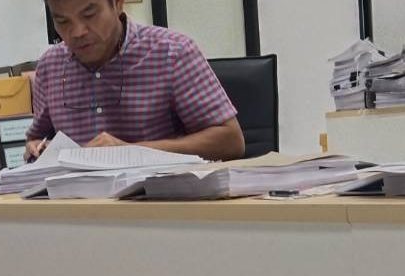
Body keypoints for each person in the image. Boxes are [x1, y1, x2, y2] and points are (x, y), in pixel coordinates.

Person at [27, 0, 245, 162]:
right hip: (77, 205)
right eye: (62, 21)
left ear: (118, 4)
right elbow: (36, 139)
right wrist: (36, 147)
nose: (77, 32)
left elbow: (231, 142)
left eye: (89, 15)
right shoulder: (50, 65)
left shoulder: (172, 52)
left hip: (158, 201)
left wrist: (131, 152)